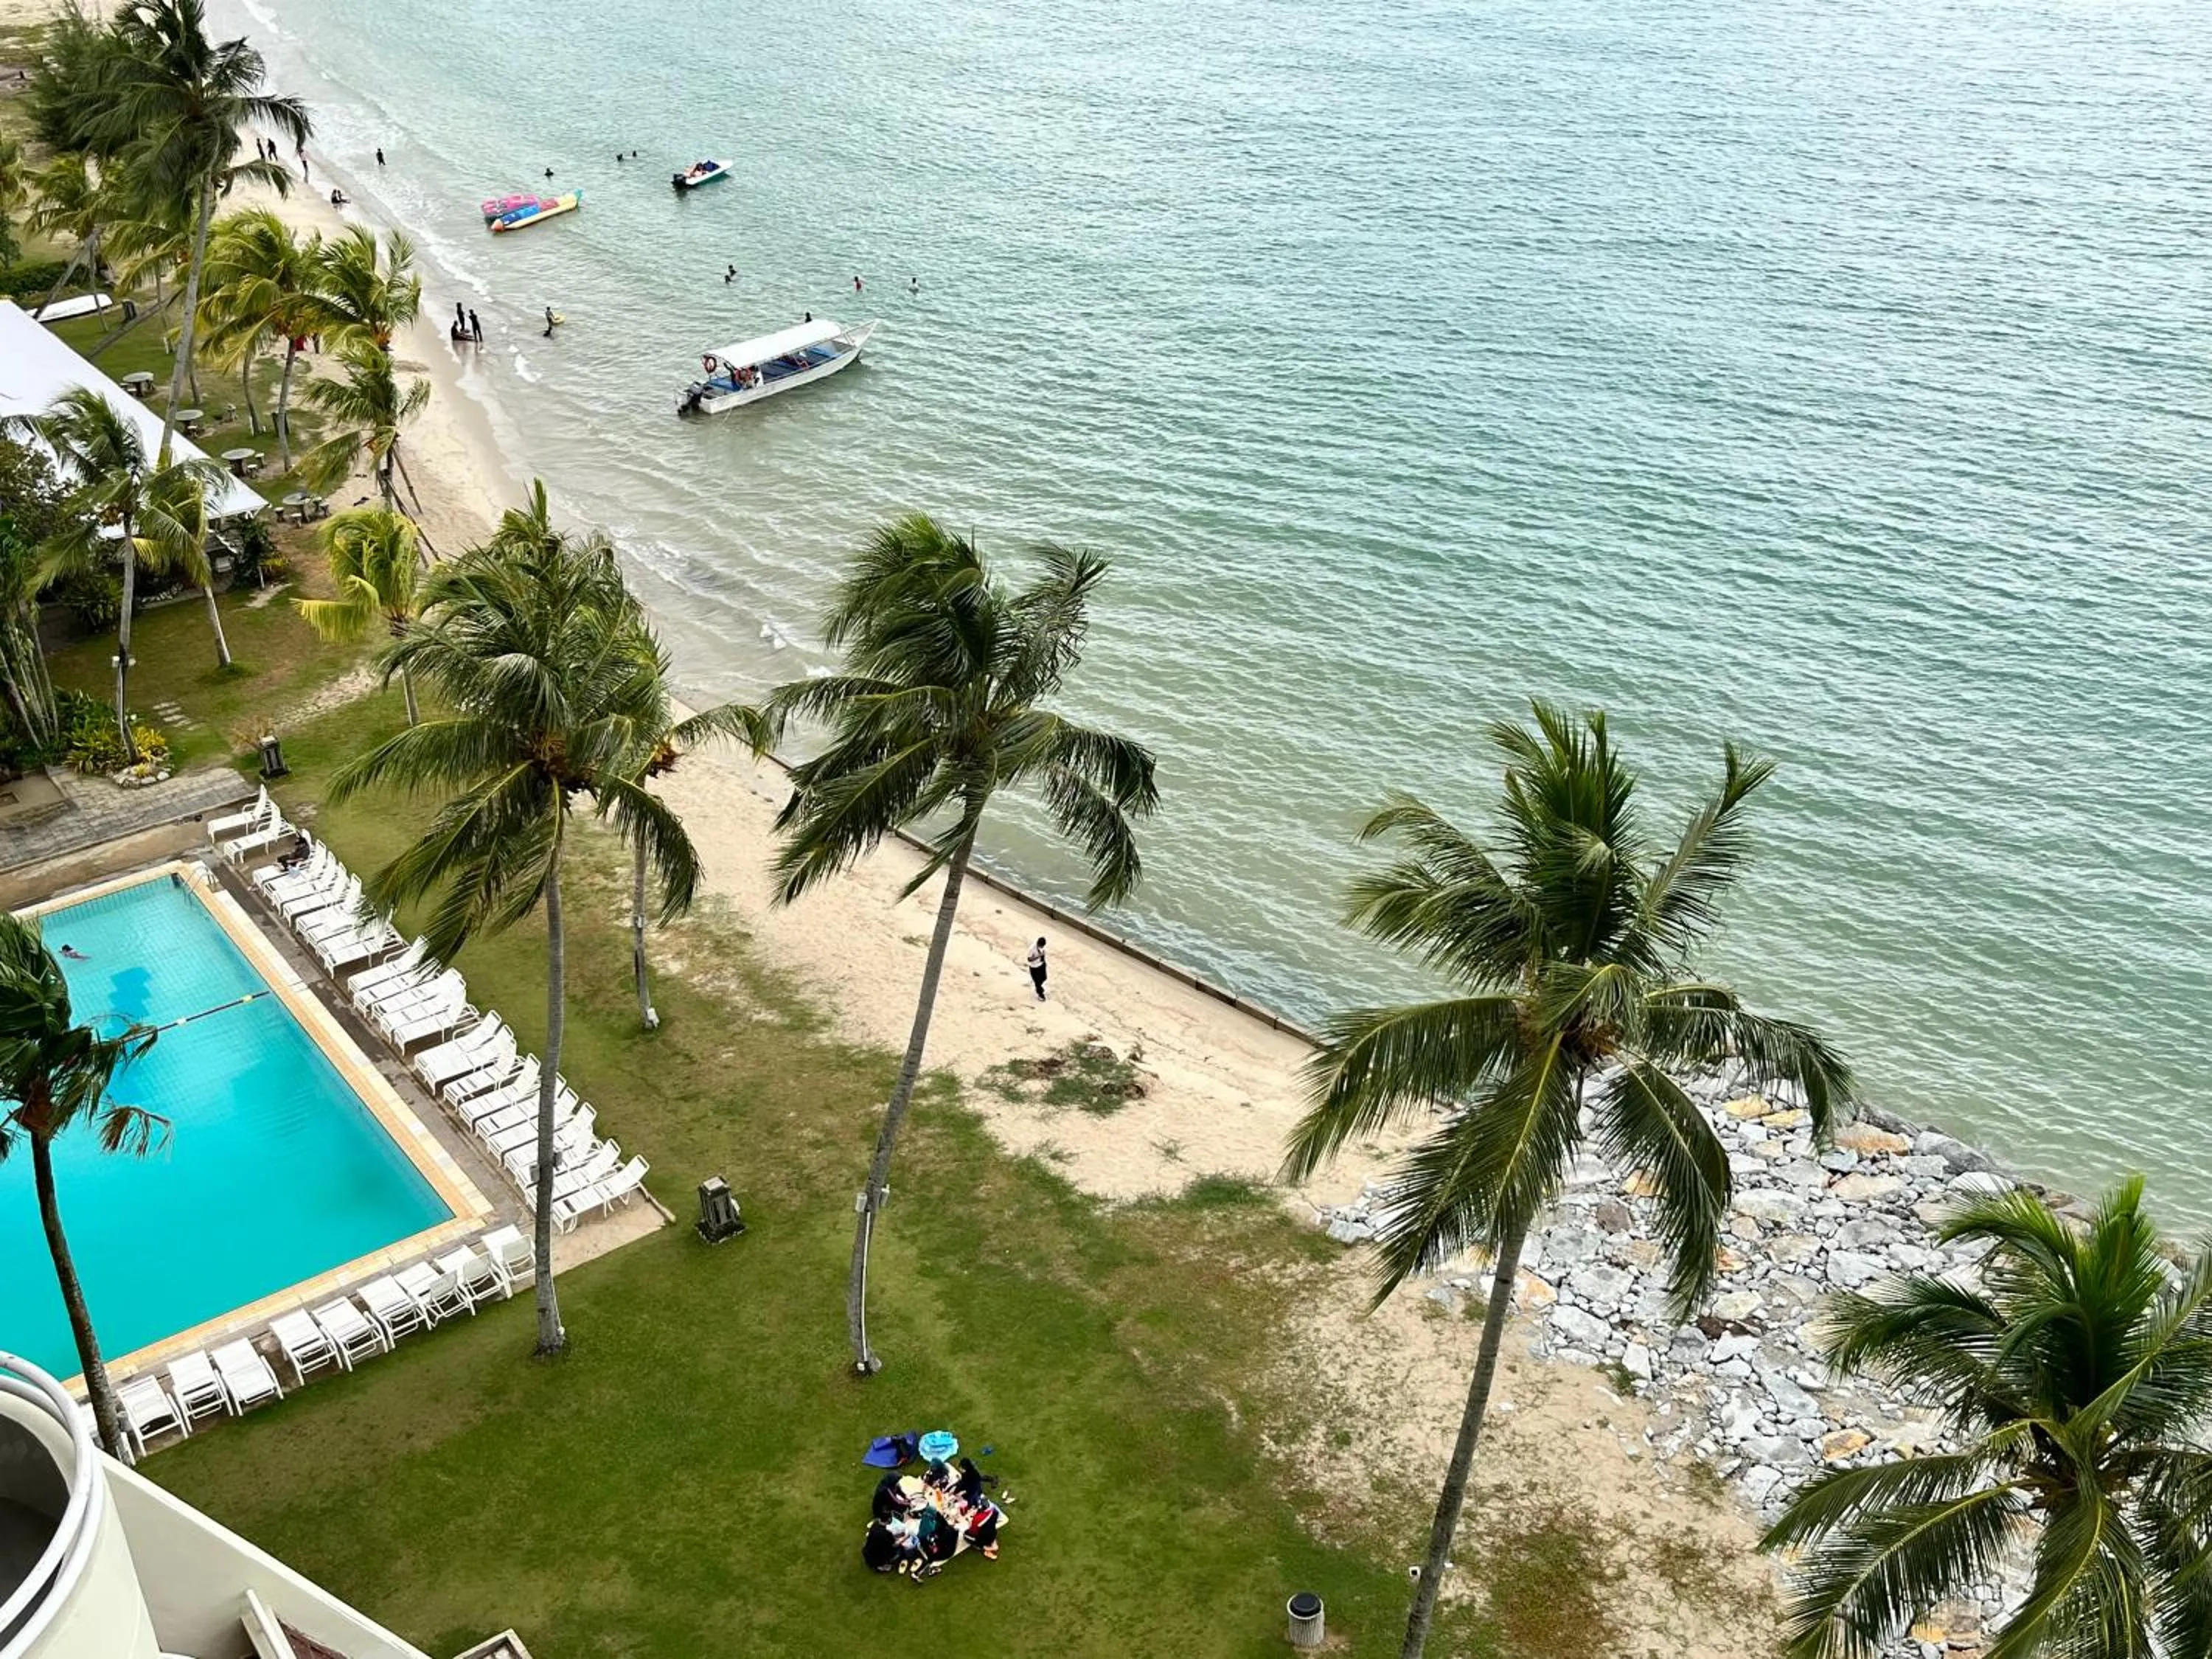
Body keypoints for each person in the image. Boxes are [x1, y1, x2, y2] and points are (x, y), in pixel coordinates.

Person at [1026, 937, 1048, 1001]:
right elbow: (1029, 959)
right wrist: (1038, 956)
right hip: (1034, 967)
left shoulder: (1042, 947)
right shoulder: (1032, 949)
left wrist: (1044, 961)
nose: (1042, 947)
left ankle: (1038, 987)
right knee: (1037, 982)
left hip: (1041, 964)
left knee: (1044, 978)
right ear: (1038, 944)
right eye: (1041, 946)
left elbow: (1043, 954)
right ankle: (1040, 994)